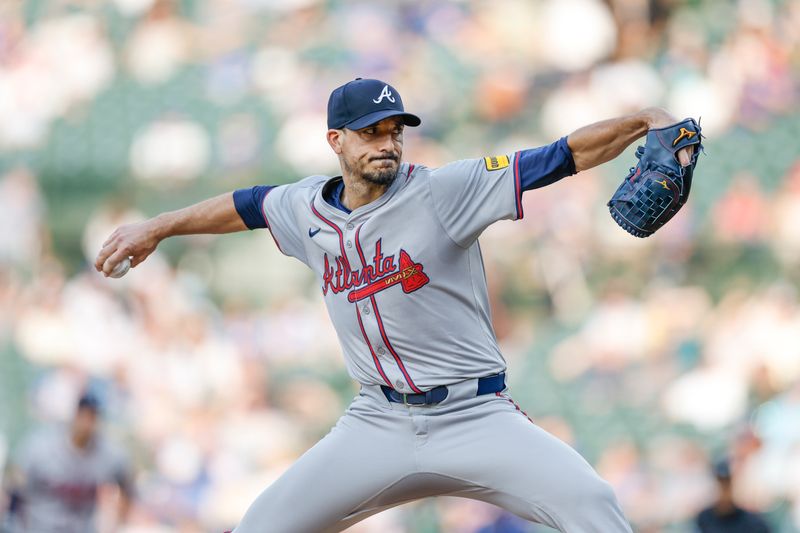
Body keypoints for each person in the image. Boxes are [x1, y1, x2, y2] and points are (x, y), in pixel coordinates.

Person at [95, 78, 694, 532]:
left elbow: (560, 156)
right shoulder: (305, 208)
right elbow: (246, 205)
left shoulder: (445, 190)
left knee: (593, 505)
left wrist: (644, 120)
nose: (388, 143)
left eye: (395, 130)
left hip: (476, 416)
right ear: (336, 139)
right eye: (371, 132)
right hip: (376, 423)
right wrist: (159, 226)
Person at [4, 393, 133, 533]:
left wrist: (120, 520)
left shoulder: (109, 454)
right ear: (76, 415)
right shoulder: (40, 447)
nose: (87, 423)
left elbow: (127, 486)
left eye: (93, 417)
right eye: (84, 415)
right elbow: (14, 488)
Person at [695, 459, 771, 533]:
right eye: (720, 483)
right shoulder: (703, 519)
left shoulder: (754, 524)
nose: (724, 490)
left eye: (727, 484)